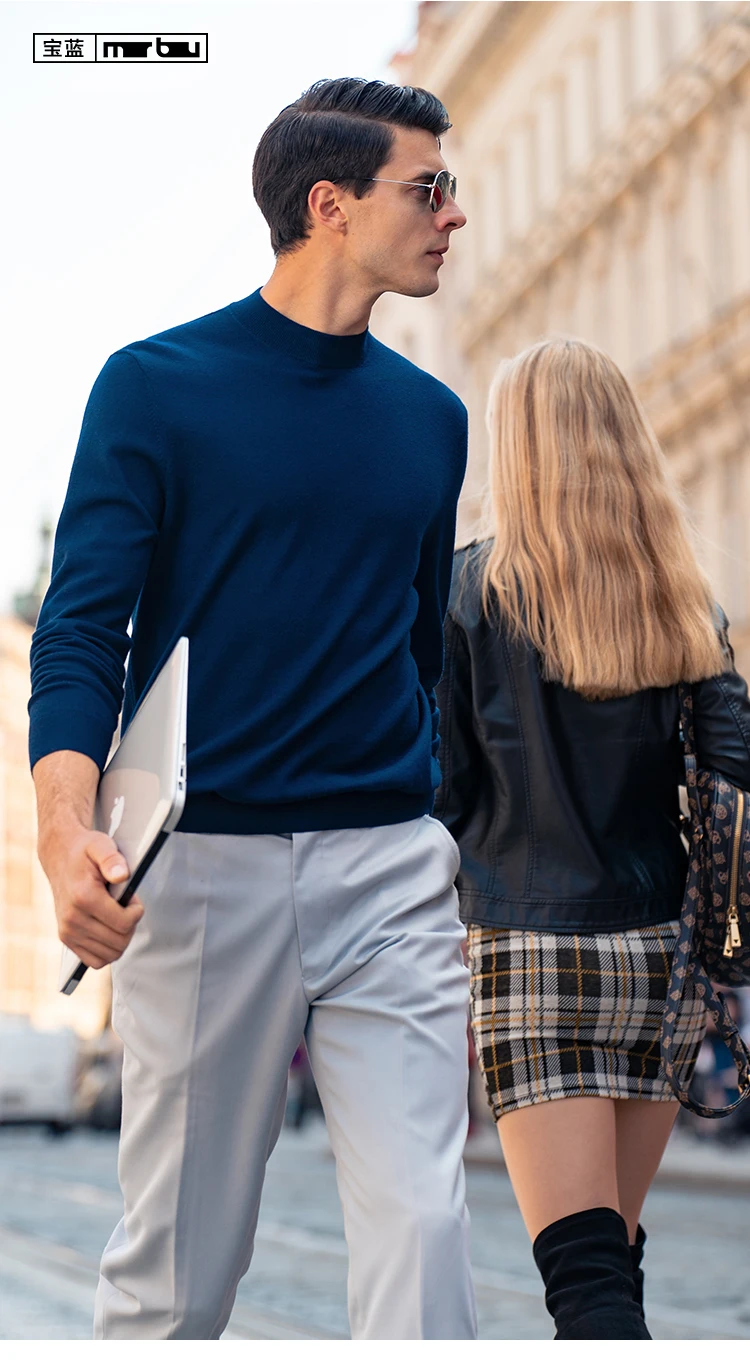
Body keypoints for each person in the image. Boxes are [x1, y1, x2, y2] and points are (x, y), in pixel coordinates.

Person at [29, 77, 476, 1340]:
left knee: (428, 1223)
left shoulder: (433, 422)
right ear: (330, 206)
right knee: (181, 1265)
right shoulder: (156, 386)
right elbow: (80, 634)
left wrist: (436, 818)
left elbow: (417, 642)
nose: (454, 213)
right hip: (208, 868)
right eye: (428, 187)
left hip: (389, 866)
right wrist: (67, 829)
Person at [435, 336, 750, 1340]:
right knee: (614, 1255)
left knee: (587, 1281)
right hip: (659, 958)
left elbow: (439, 788)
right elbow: (734, 771)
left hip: (530, 953)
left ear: (515, 446)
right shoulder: (684, 603)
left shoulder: (468, 595)